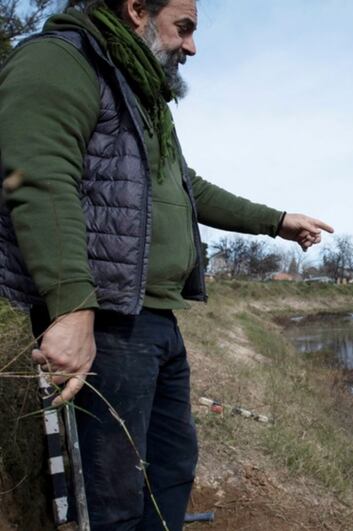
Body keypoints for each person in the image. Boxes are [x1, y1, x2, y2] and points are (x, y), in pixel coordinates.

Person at [0, 1, 333, 529]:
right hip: (104, 320)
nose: (192, 46)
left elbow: (187, 186)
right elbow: (39, 179)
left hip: (155, 320)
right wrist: (72, 308)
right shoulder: (60, 61)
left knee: (172, 469)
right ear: (136, 9)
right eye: (185, 28)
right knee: (113, 498)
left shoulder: (142, 95)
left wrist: (278, 220)